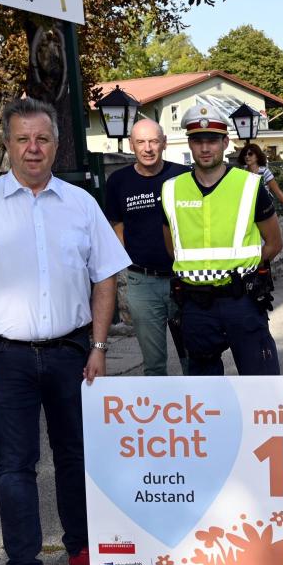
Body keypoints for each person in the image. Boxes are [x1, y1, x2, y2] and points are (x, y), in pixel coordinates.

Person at [0, 98, 131, 565]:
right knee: (15, 467)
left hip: (72, 352)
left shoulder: (79, 203)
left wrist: (97, 346)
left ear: (54, 144)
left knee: (76, 455)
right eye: (22, 139)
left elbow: (105, 276)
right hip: (5, 358)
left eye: (42, 139)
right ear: (7, 144)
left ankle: (80, 547)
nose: (33, 149)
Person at [161, 105, 282, 375]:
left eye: (213, 141)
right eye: (198, 141)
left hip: (242, 300)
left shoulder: (250, 185)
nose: (205, 148)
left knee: (262, 383)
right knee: (205, 395)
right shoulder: (170, 190)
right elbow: (173, 248)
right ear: (189, 143)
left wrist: (243, 266)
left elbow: (274, 243)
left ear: (225, 143)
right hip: (195, 306)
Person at [104, 118, 189, 376]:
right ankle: (161, 415)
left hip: (185, 279)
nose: (148, 147)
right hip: (143, 282)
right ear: (131, 145)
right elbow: (116, 225)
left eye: (153, 141)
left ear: (164, 143)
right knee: (153, 364)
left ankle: (201, 411)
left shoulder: (183, 177)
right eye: (141, 142)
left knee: (195, 357)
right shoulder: (118, 182)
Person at [237, 143, 283, 223]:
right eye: (245, 154)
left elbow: (278, 193)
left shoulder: (264, 172)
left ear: (257, 156)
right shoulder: (242, 173)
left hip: (264, 210)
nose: (247, 156)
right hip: (248, 212)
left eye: (250, 154)